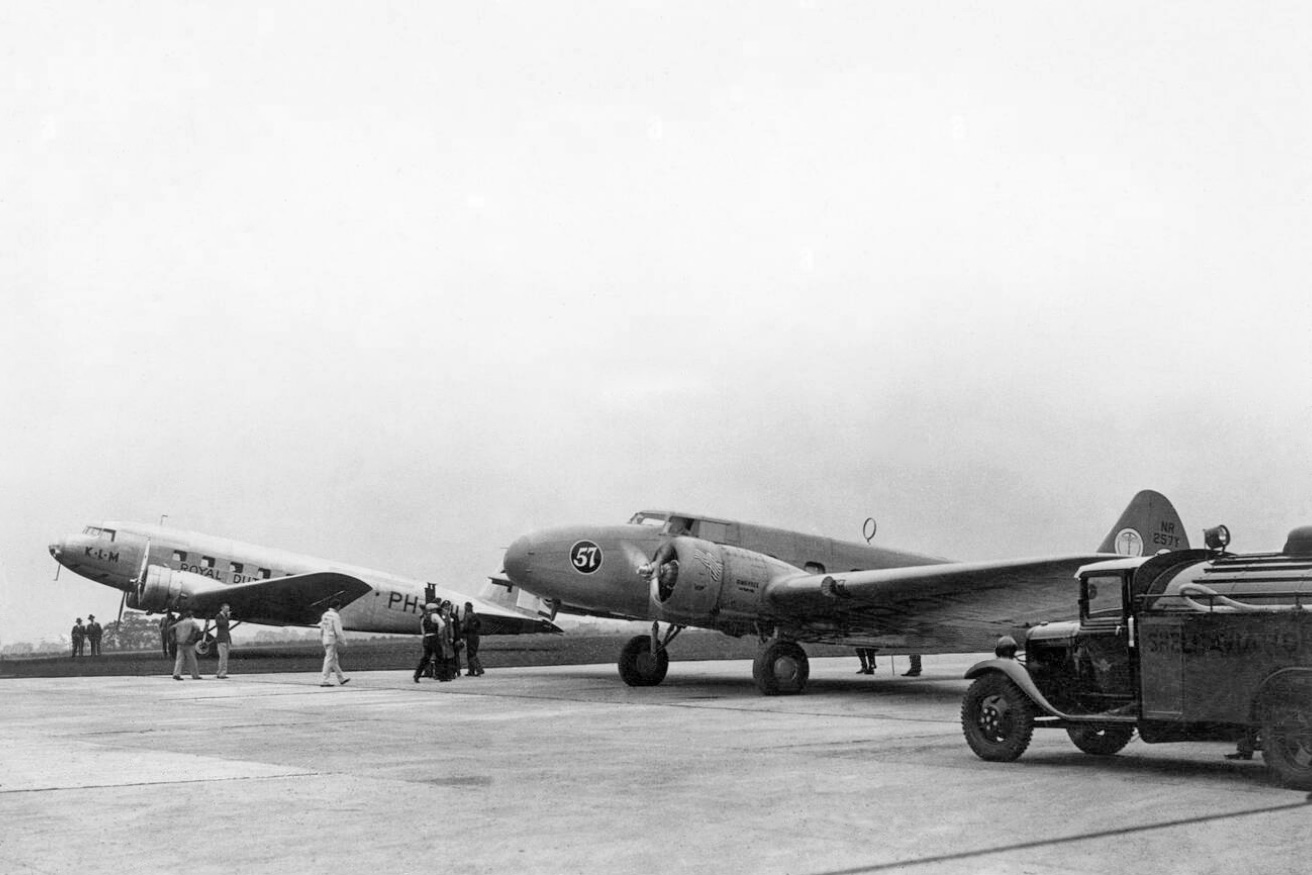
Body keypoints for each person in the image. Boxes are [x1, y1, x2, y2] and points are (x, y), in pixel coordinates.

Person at [318, 600, 350, 687]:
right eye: (339, 606)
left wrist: (322, 638)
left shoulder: (325, 615)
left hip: (325, 639)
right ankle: (324, 680)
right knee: (329, 659)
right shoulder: (335, 616)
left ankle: (341, 678)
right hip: (332, 640)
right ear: (336, 606)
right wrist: (343, 641)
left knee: (334, 659)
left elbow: (321, 629)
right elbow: (338, 630)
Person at [413, 603, 442, 682]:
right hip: (434, 637)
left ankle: (417, 675)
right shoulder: (434, 616)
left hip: (426, 638)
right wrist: (438, 633)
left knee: (426, 657)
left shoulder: (423, 618)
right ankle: (442, 676)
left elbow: (423, 630)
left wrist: (425, 636)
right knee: (440, 656)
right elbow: (442, 624)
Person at [171, 610, 203, 680]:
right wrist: (193, 636)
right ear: (191, 616)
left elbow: (172, 628)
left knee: (179, 659)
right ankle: (195, 675)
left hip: (179, 643)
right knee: (192, 660)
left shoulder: (180, 623)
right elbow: (198, 628)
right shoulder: (191, 622)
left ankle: (176, 673)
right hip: (189, 643)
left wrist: (174, 638)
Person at [463, 602, 484, 677]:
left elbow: (465, 627)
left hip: (470, 636)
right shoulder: (475, 615)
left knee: (471, 654)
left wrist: (463, 633)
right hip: (476, 635)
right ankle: (471, 670)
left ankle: (478, 669)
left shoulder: (467, 615)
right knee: (473, 653)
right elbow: (479, 624)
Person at [214, 604, 232, 678]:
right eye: (226, 609)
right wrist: (227, 617)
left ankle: (219, 672)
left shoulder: (223, 617)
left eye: (228, 609)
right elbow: (222, 624)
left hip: (225, 639)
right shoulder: (219, 616)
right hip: (222, 639)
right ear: (222, 609)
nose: (227, 611)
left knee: (223, 657)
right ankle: (222, 673)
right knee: (223, 657)